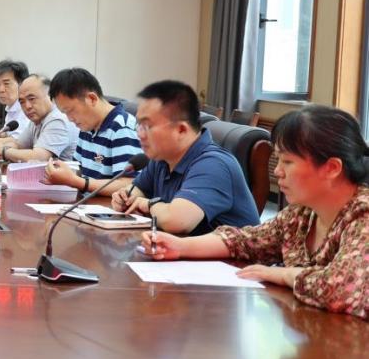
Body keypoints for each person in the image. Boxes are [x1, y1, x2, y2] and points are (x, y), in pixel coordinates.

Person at [142, 105, 369, 320]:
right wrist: (179, 246)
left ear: (332, 168)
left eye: (288, 162)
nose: (278, 171)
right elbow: (246, 240)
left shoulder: (363, 214)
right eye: (278, 160)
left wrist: (282, 274)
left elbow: (341, 289)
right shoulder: (303, 213)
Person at [111, 80, 258, 235]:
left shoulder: (214, 164)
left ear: (181, 130)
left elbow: (177, 222)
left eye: (148, 126)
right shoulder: (161, 158)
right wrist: (125, 198)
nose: (140, 134)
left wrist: (148, 205)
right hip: (177, 247)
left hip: (223, 252)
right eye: (139, 125)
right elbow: (139, 190)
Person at [44, 68, 142, 194]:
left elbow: (130, 184)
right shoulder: (86, 127)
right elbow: (78, 170)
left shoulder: (122, 127)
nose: (69, 119)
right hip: (86, 201)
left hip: (107, 205)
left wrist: (77, 182)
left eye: (71, 111)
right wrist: (60, 173)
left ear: (91, 99)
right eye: (64, 113)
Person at [0, 75, 78, 162]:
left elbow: (39, 157)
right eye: (22, 102)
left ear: (50, 96)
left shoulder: (58, 119)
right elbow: (18, 145)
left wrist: (3, 151)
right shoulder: (37, 119)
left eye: (32, 99)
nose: (27, 106)